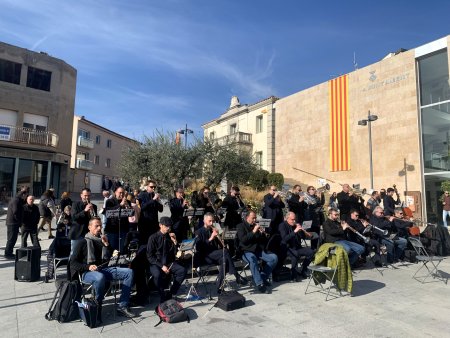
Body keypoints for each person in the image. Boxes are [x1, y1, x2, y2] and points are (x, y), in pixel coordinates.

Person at [70, 217, 136, 320]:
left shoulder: (102, 240)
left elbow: (109, 258)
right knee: (99, 277)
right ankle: (97, 303)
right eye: (96, 226)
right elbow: (72, 263)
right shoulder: (82, 242)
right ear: (89, 227)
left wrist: (107, 245)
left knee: (129, 272)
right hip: (87, 273)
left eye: (100, 225)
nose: (99, 228)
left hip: (103, 269)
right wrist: (88, 266)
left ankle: (122, 305)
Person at [196, 213, 247, 293]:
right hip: (205, 256)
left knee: (225, 260)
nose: (211, 223)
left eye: (213, 221)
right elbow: (199, 248)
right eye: (209, 221)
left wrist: (220, 238)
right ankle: (237, 276)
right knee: (225, 252)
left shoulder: (213, 229)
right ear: (204, 221)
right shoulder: (199, 232)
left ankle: (219, 287)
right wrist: (211, 238)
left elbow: (221, 246)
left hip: (216, 255)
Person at [236, 210, 278, 294]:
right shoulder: (240, 226)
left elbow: (262, 241)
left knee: (274, 258)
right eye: (253, 218)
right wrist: (254, 231)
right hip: (246, 250)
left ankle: (262, 277)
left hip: (257, 250)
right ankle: (260, 284)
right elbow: (243, 240)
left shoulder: (255, 226)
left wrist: (262, 233)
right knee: (252, 259)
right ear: (247, 217)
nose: (255, 220)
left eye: (255, 218)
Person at [147, 217, 187, 303]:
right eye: (166, 226)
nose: (168, 228)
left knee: (182, 270)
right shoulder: (153, 237)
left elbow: (175, 253)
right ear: (160, 225)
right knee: (157, 274)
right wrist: (161, 266)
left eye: (169, 226)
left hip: (168, 262)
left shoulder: (170, 237)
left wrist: (175, 242)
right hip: (156, 263)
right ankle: (162, 296)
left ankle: (171, 293)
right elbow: (150, 256)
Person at [278, 212, 314, 282]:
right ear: (287, 219)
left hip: (297, 247)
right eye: (292, 219)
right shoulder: (282, 225)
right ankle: (293, 274)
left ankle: (303, 270)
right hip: (287, 248)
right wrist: (294, 231)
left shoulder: (295, 225)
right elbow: (284, 239)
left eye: (295, 219)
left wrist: (302, 231)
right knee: (295, 254)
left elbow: (303, 237)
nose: (294, 221)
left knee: (311, 252)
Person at [70, 188, 98, 255]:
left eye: (88, 195)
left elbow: (94, 219)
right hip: (77, 233)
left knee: (87, 254)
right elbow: (74, 218)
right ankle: (71, 265)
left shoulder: (94, 206)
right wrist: (85, 211)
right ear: (81, 195)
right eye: (85, 195)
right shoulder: (75, 204)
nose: (87, 197)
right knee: (74, 253)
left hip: (88, 233)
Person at [4, 186, 29, 258]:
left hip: (13, 222)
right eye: (26, 195)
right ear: (23, 194)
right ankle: (8, 253)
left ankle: (9, 252)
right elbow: (16, 212)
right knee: (11, 239)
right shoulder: (16, 200)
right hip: (13, 223)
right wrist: (19, 222)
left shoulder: (17, 199)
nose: (25, 198)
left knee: (12, 238)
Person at [104, 187, 131, 252]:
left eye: (123, 193)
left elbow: (130, 212)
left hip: (123, 229)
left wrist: (127, 205)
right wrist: (120, 205)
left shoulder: (128, 201)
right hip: (112, 229)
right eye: (120, 193)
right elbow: (108, 212)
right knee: (112, 249)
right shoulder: (110, 201)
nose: (121, 194)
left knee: (122, 248)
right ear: (115, 192)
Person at [138, 181, 163, 245]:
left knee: (154, 242)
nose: (153, 188)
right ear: (146, 187)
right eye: (151, 187)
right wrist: (153, 200)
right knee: (145, 242)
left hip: (154, 223)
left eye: (154, 187)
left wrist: (159, 201)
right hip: (145, 223)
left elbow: (161, 210)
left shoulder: (154, 195)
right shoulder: (142, 194)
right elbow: (142, 207)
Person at [302, 186, 323, 250]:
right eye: (312, 189)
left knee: (316, 235)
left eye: (314, 189)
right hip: (307, 219)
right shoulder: (305, 197)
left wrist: (320, 197)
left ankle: (314, 250)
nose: (314, 190)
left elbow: (320, 205)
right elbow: (312, 205)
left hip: (315, 220)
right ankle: (305, 251)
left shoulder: (316, 198)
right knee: (306, 235)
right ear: (308, 191)